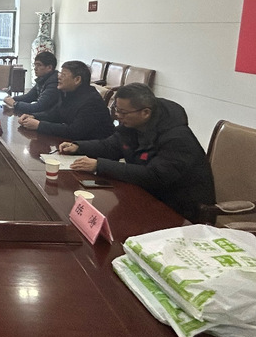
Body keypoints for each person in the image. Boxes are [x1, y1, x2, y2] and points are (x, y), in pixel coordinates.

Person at [59, 83, 215, 223]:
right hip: (145, 194)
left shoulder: (178, 139)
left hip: (179, 210)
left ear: (145, 112)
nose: (118, 116)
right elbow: (110, 146)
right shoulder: (133, 125)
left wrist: (99, 165)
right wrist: (78, 147)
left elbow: (155, 176)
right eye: (116, 110)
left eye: (123, 112)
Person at [18, 60, 114, 140]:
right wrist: (34, 116)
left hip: (93, 150)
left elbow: (74, 131)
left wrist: (39, 125)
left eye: (63, 75)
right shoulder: (68, 93)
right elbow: (55, 114)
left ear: (77, 80)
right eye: (60, 73)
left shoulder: (91, 101)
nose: (58, 77)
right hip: (74, 144)